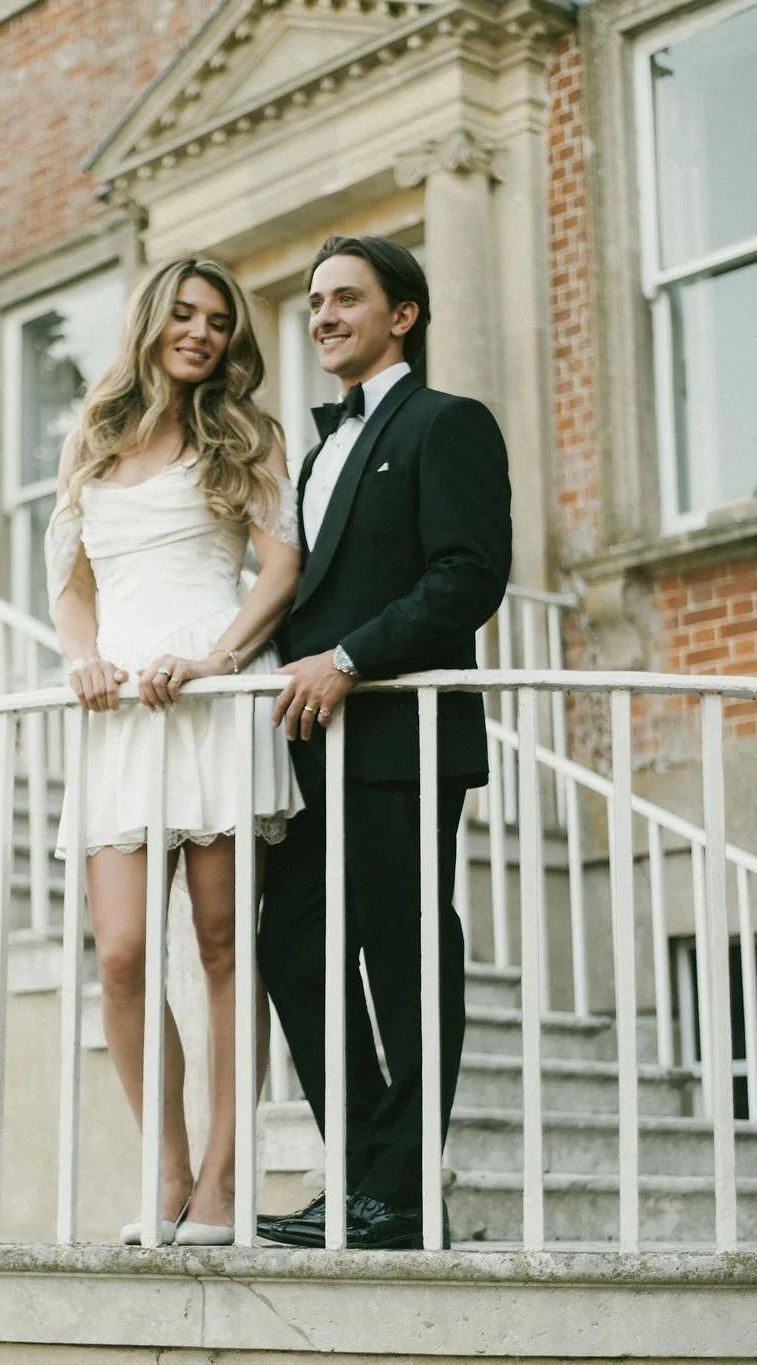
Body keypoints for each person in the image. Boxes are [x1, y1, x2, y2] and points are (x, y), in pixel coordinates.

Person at [255, 235, 512, 1251]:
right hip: (311, 750)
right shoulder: (318, 452)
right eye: (314, 301)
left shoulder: (448, 424)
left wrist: (351, 658)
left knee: (402, 958)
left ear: (401, 315)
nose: (321, 315)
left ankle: (399, 1196)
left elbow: (465, 575)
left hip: (401, 741)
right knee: (290, 947)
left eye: (344, 299)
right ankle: (370, 1175)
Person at [45, 256, 303, 1247]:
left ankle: (228, 1186)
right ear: (153, 320)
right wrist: (80, 660)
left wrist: (217, 657)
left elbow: (280, 564)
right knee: (118, 956)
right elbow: (69, 584)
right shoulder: (93, 437)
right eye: (184, 314)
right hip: (120, 714)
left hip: (212, 693)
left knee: (223, 944)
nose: (199, 332)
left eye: (217, 321)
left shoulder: (245, 435)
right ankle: (170, 1170)